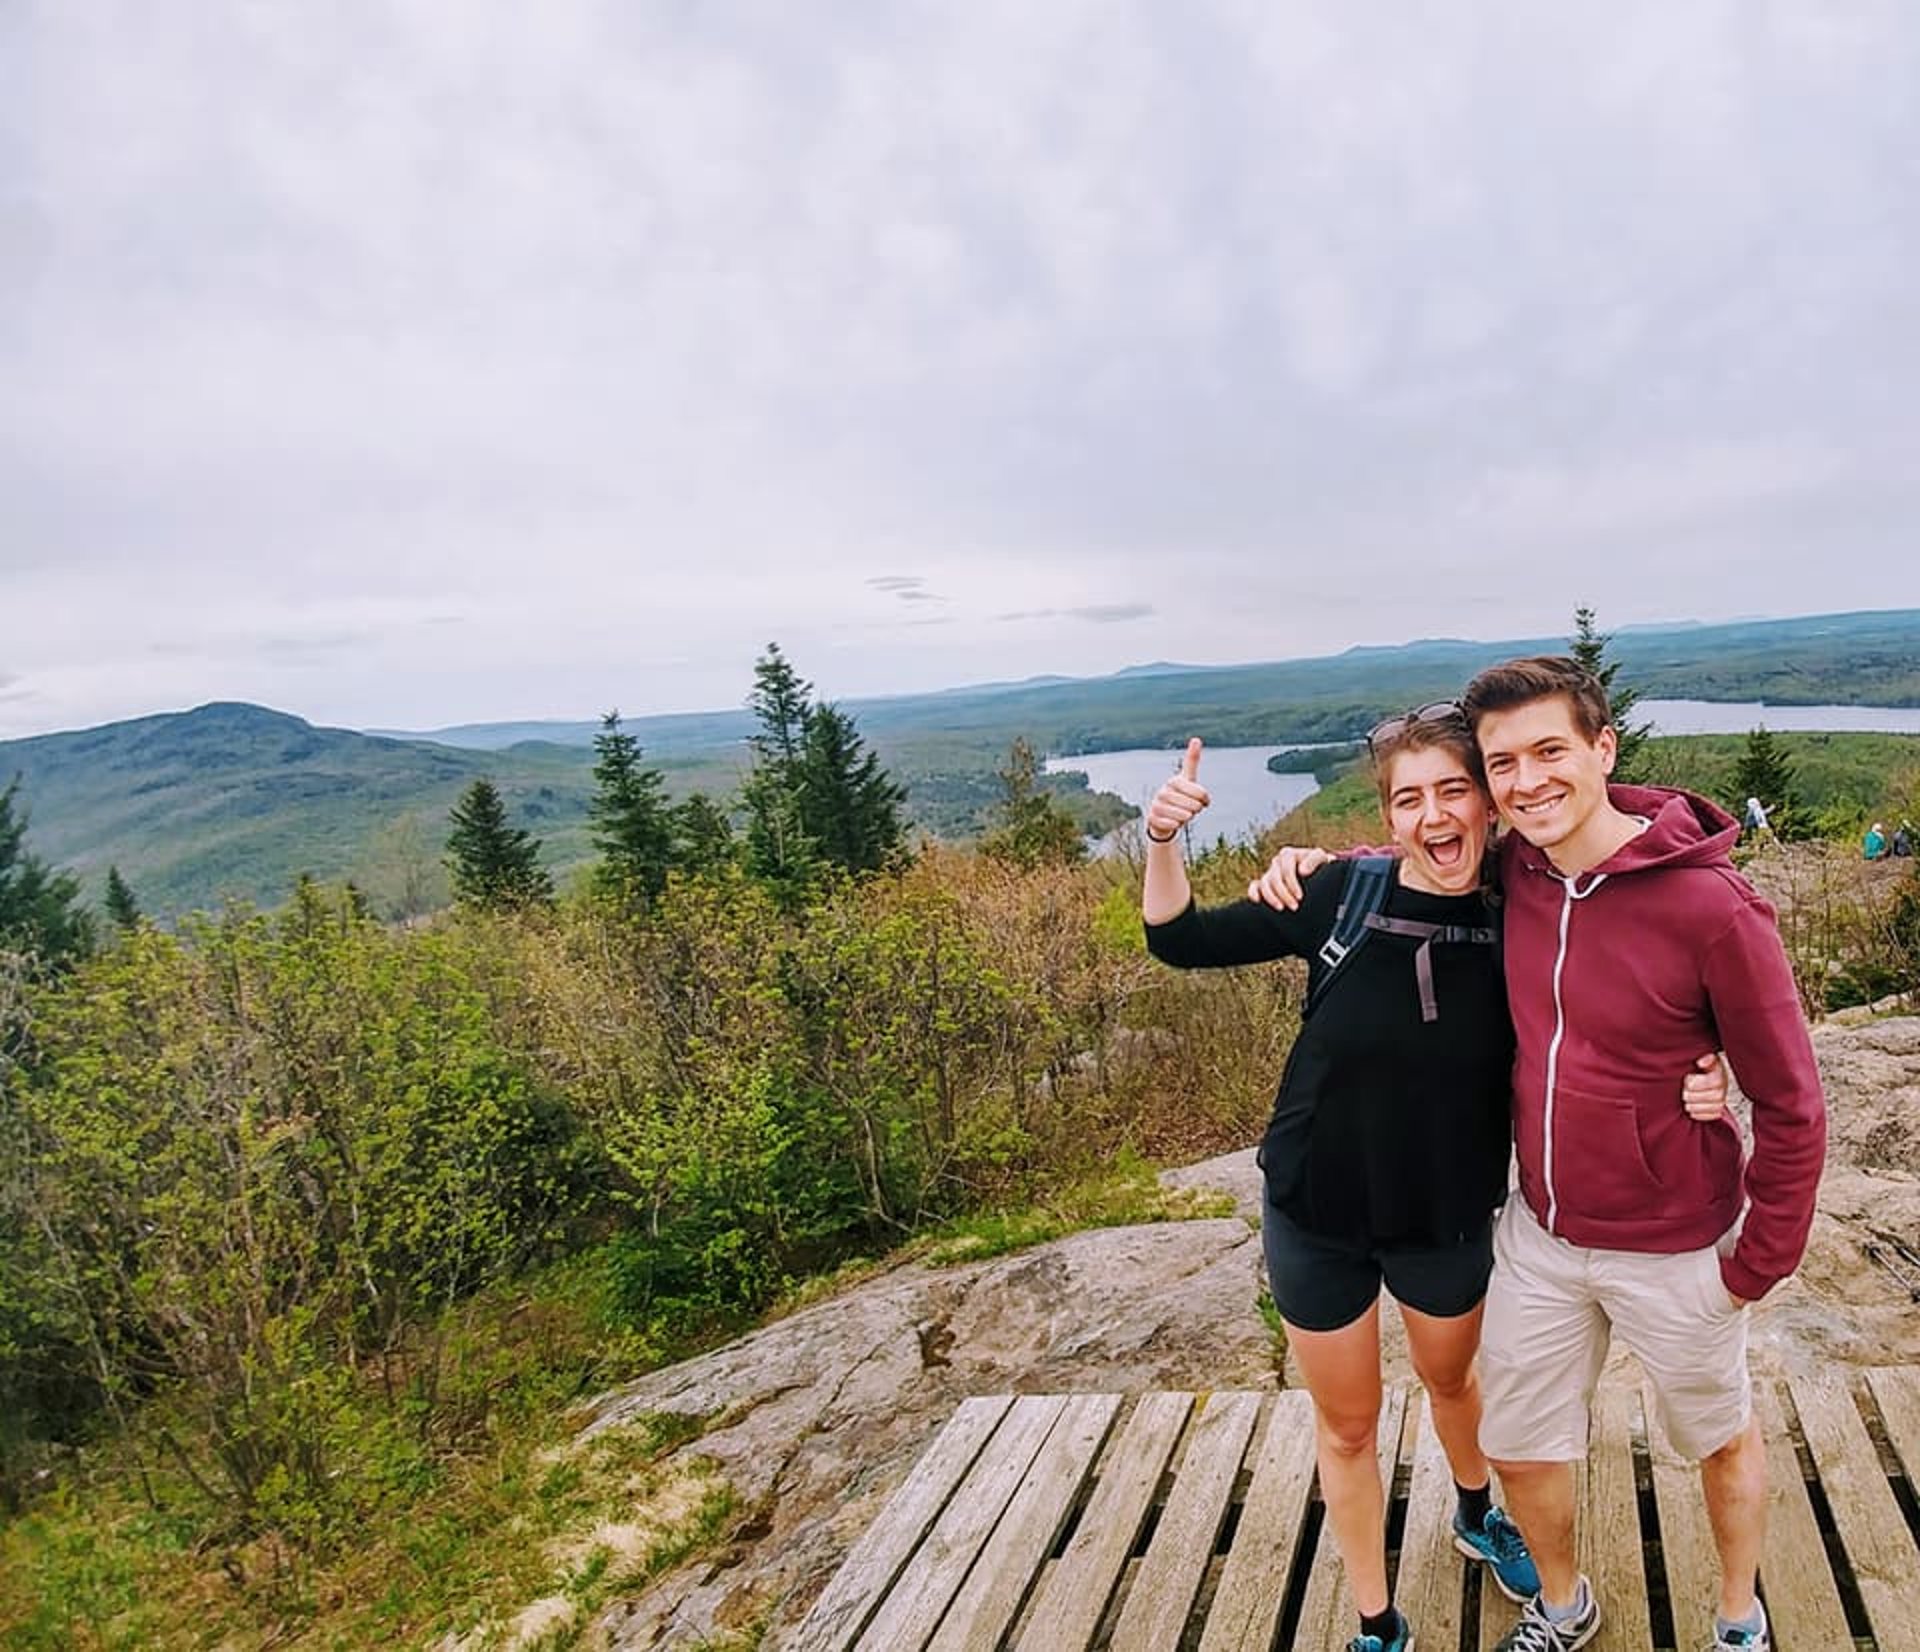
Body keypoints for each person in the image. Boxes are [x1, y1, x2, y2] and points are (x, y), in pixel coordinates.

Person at [1253, 658, 1825, 1652]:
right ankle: (1563, 1604)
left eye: (1549, 750)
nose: (1526, 781)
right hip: (1543, 1233)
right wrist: (1317, 865)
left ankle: (1738, 1614)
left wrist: (1758, 1257)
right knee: (1516, 1444)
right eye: (1504, 762)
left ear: (1603, 749)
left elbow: (1793, 1103)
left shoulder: (1713, 908)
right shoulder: (1517, 871)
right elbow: (1427, 854)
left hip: (1678, 1239)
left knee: (1718, 1437)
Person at [1141, 719, 1728, 1652]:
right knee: (1348, 1428)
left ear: (1488, 803)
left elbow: (1626, 993)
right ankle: (1378, 1621)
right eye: (1408, 798)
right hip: (1315, 1209)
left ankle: (1474, 1511)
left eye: (1453, 790)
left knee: (1454, 1385)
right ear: (1386, 816)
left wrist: (1705, 1068)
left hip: (1444, 1215)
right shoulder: (1338, 890)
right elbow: (1178, 941)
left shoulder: (1525, 910)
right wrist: (1163, 840)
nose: (1434, 814)